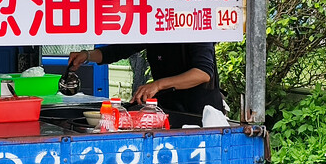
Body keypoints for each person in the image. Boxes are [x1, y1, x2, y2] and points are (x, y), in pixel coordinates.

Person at [68, 43, 223, 118]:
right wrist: (86, 55)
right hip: (168, 111)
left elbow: (203, 73)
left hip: (200, 116)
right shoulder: (155, 29)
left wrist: (157, 85)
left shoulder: (196, 27)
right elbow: (117, 50)